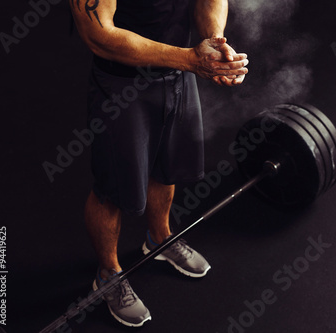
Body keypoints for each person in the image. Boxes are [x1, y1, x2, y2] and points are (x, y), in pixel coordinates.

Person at [69, 0, 248, 327]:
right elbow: (97, 34)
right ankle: (108, 272)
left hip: (179, 76)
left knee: (168, 167)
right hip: (123, 86)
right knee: (112, 191)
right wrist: (189, 59)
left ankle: (159, 239)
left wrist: (214, 42)